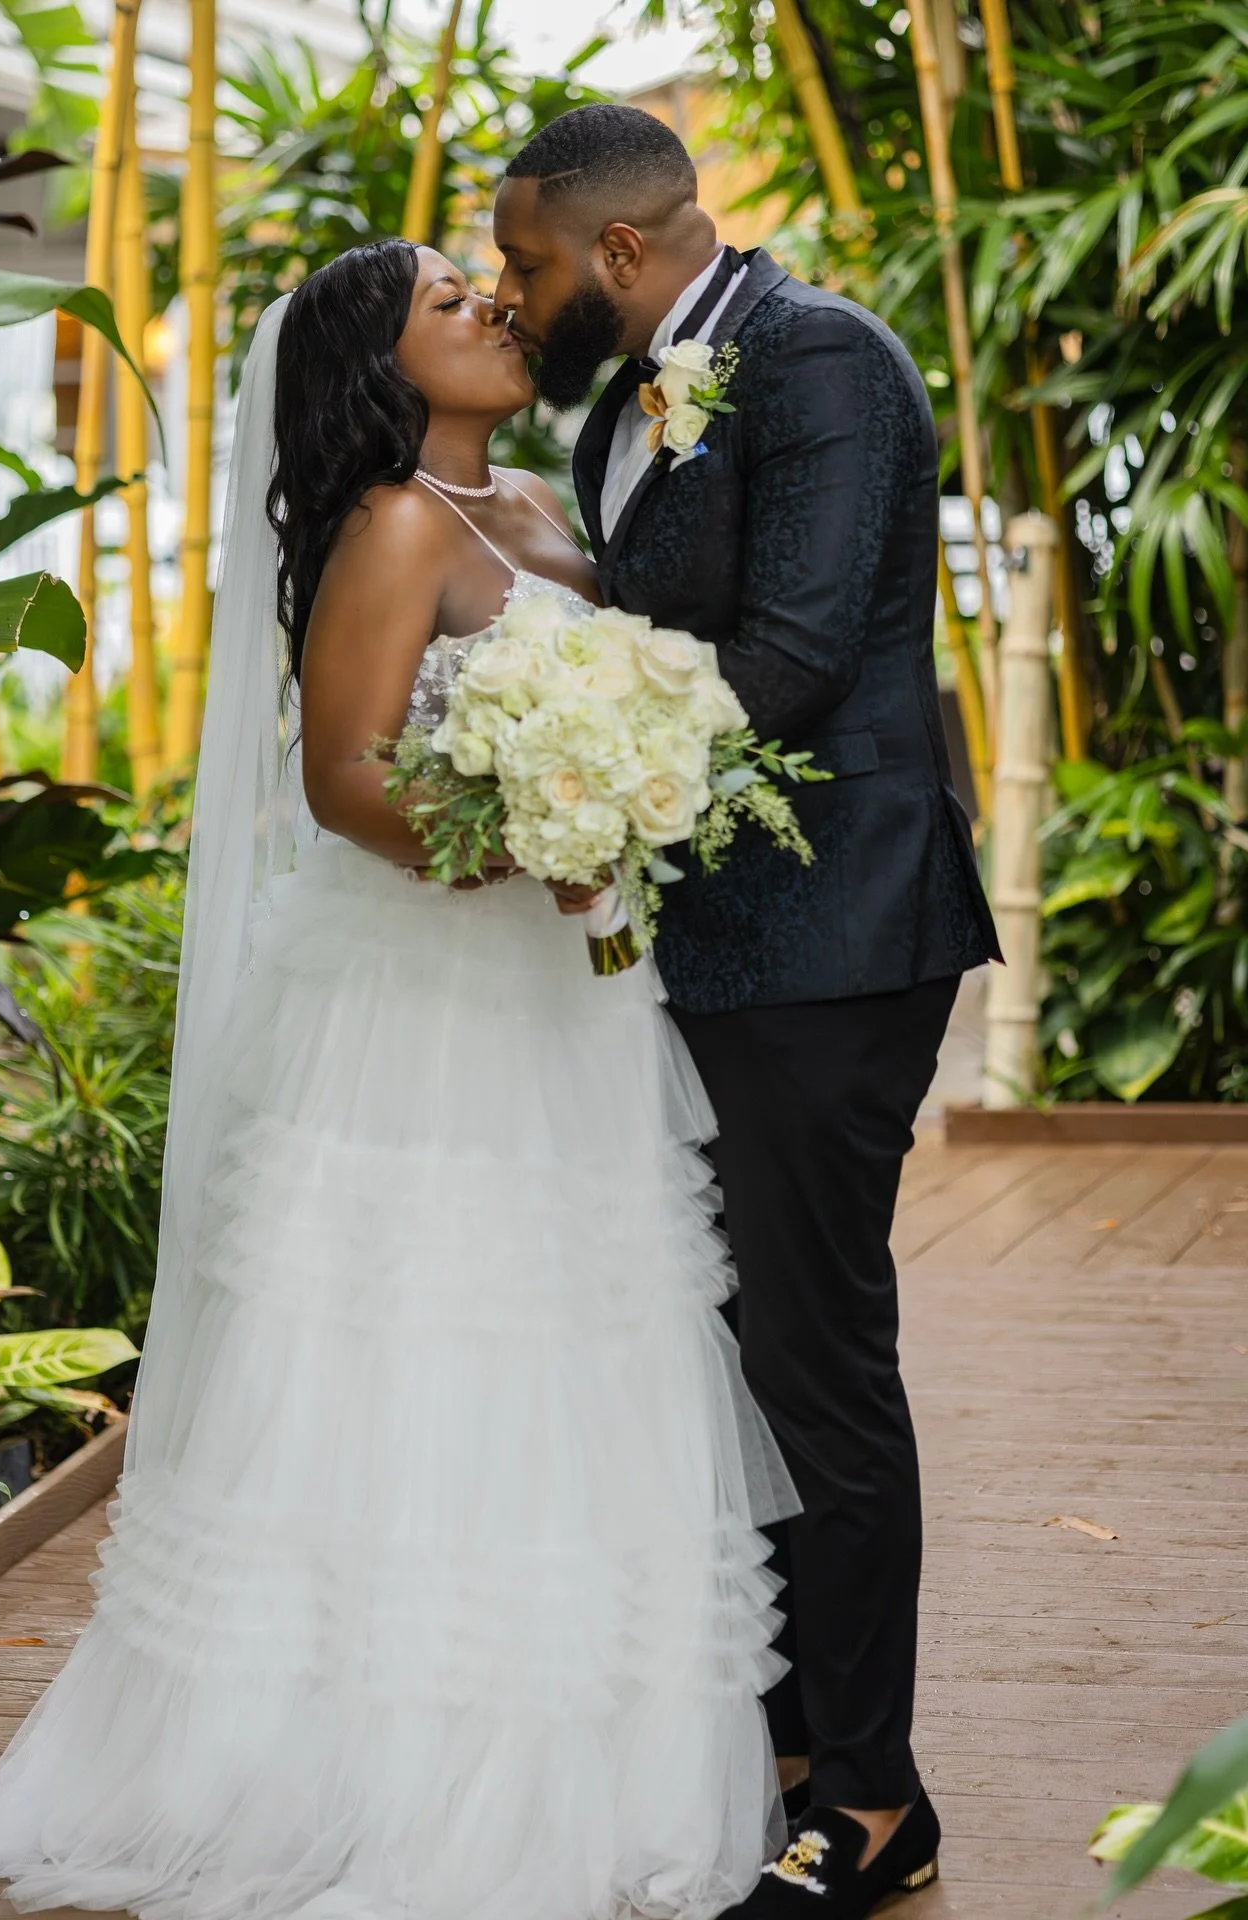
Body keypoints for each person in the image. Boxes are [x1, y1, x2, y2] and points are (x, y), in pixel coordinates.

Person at [0, 240, 799, 1920]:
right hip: (426, 997)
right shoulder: (397, 522)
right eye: (450, 303)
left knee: (577, 1338)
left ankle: (579, 1749)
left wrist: (612, 805)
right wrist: (530, 840)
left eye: (487, 287)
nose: (491, 308)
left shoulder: (553, 504)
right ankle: (358, 1767)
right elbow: (343, 779)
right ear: (383, 366)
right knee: (407, 1341)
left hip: (571, 998)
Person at [494, 104, 1000, 1920]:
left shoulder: (824, 363)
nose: (510, 288)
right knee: (729, 1362)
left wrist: (571, 785)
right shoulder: (622, 400)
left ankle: (875, 1801)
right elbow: (645, 618)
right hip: (710, 934)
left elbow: (784, 660)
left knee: (816, 1361)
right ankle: (783, 1754)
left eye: (526, 260)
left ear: (618, 251)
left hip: (835, 937)